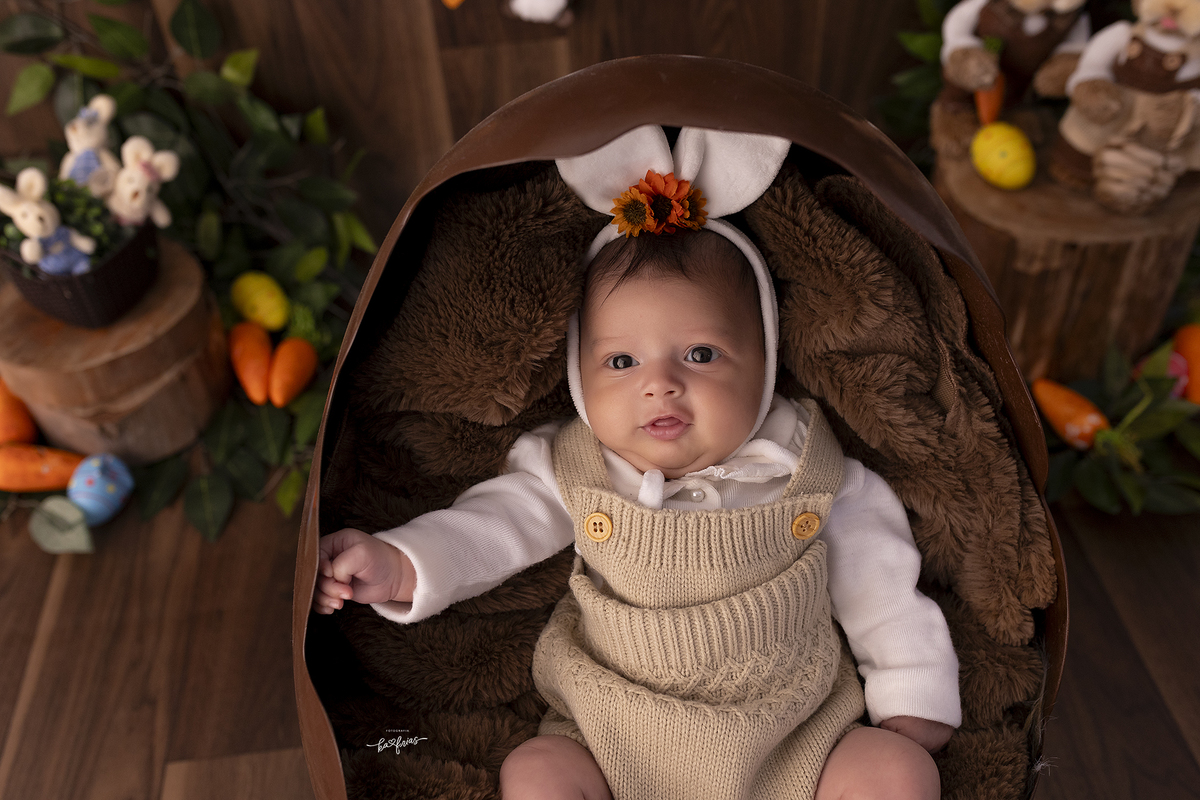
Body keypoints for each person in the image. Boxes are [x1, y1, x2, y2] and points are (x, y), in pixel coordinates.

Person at [312, 126, 961, 800]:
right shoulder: (578, 468)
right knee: (535, 774)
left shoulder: (807, 468)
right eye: (622, 362)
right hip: (614, 733)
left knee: (897, 772)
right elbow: (488, 530)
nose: (661, 383)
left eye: (701, 354)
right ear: (580, 377)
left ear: (764, 363)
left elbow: (882, 587)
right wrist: (400, 565)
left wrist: (912, 688)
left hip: (792, 734)